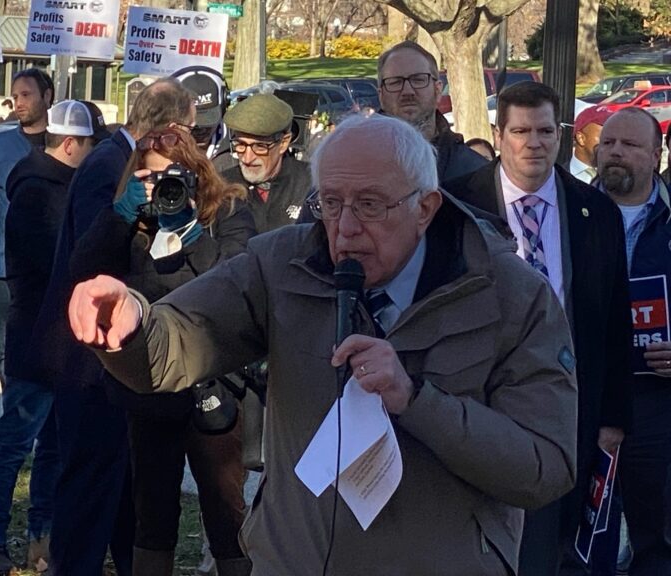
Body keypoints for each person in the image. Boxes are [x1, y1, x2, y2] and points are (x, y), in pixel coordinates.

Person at [69, 112, 578, 576]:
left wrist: (418, 400)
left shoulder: (511, 296)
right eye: (331, 203)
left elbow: (545, 467)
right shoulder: (282, 265)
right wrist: (133, 324)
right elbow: (177, 342)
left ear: (425, 207)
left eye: (371, 205)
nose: (346, 228)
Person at [443, 81, 633, 576]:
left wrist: (613, 418)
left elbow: (615, 318)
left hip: (569, 400)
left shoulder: (595, 212)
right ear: (499, 135)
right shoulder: (456, 206)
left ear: (562, 135)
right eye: (521, 131)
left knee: (555, 542)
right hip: (481, 396)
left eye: (546, 131)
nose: (534, 143)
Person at [69, 126, 254, 576]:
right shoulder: (138, 218)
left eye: (173, 176)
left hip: (214, 376)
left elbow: (240, 279)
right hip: (151, 382)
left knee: (226, 508)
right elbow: (83, 271)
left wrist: (191, 234)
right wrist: (119, 219)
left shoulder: (226, 207)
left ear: (196, 172)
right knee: (152, 511)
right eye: (149, 179)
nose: (162, 188)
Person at [32, 77, 198, 576]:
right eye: (187, 130)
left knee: (123, 486)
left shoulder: (112, 160)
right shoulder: (110, 165)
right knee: (90, 481)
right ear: (169, 128)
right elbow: (90, 263)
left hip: (113, 356)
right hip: (89, 356)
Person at [0, 100, 106, 575]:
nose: (96, 157)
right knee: (15, 441)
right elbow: (64, 262)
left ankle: (42, 539)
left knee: (52, 445)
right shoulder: (38, 191)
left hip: (61, 340)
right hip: (37, 339)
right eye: (92, 146)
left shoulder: (59, 185)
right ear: (70, 144)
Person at [594, 108, 671, 575]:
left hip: (655, 401)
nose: (615, 152)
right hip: (585, 394)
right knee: (580, 533)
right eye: (608, 144)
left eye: (630, 145)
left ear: (657, 156)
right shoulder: (569, 214)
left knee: (655, 537)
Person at [0, 68, 53, 388]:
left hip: (50, 265)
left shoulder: (67, 144)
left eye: (26, 95)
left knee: (50, 346)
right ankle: (16, 422)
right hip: (2, 267)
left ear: (47, 96)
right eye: (15, 96)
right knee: (9, 349)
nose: (19, 103)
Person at [377, 40, 487, 181]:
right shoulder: (353, 162)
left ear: (438, 90)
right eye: (395, 82)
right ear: (380, 95)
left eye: (418, 80)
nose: (408, 91)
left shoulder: (474, 172)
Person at [220, 93, 311, 231]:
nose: (247, 158)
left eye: (260, 146)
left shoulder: (311, 184)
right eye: (241, 145)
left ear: (283, 143)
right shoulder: (220, 187)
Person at [570, 106, 612, 184]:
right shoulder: (556, 177)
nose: (611, 143)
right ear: (581, 138)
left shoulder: (619, 177)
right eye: (604, 136)